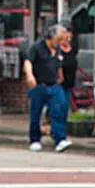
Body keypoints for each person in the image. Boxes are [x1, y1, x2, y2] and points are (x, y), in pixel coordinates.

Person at [23, 24, 71, 153]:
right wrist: (30, 76)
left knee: (59, 110)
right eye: (59, 39)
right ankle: (35, 140)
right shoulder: (37, 48)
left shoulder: (57, 49)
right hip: (39, 85)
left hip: (54, 85)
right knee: (35, 113)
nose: (61, 42)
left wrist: (60, 76)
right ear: (51, 37)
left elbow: (58, 63)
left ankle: (60, 138)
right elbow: (28, 62)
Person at [58, 27, 78, 123]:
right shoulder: (57, 50)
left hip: (69, 82)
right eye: (66, 38)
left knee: (65, 105)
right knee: (60, 104)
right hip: (59, 82)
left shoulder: (72, 49)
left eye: (70, 38)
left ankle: (63, 126)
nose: (68, 40)